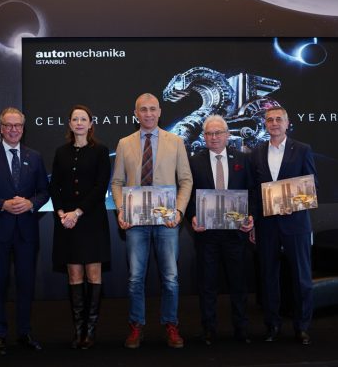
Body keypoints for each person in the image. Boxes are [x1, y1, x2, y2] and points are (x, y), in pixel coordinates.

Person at [110, 93, 193, 349]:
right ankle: (136, 326)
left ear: (160, 112)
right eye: (143, 109)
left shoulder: (175, 141)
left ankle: (171, 325)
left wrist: (178, 211)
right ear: (136, 113)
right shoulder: (124, 143)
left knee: (171, 278)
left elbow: (186, 180)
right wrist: (121, 210)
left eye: (152, 109)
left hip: (167, 222)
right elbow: (117, 182)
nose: (148, 113)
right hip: (135, 223)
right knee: (135, 278)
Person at [0, 107, 49, 355]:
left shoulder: (34, 157)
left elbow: (44, 192)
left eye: (18, 125)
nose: (13, 129)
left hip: (27, 232)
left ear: (23, 129)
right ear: (0, 128)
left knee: (26, 284)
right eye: (8, 125)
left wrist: (30, 203)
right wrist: (2, 204)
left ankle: (24, 333)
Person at [249, 106, 317, 346]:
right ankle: (272, 326)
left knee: (301, 278)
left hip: (296, 224)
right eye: (270, 119)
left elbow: (312, 185)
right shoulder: (256, 153)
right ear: (265, 124)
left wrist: (294, 203)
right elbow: (254, 192)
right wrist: (253, 222)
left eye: (279, 119)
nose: (274, 123)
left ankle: (302, 327)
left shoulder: (303, 150)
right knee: (268, 279)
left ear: (287, 123)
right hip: (266, 225)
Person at [187, 115, 254, 345]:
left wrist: (251, 216)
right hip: (207, 234)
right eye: (209, 133)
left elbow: (252, 192)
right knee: (207, 284)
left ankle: (241, 328)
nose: (214, 137)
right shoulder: (194, 162)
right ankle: (208, 329)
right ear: (204, 137)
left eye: (218, 133)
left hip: (236, 233)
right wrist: (192, 216)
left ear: (227, 135)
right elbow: (186, 195)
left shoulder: (243, 159)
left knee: (239, 283)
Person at [49, 105, 111, 349]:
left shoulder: (101, 151)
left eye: (83, 119)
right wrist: (61, 213)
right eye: (75, 119)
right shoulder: (61, 152)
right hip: (67, 223)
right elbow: (54, 186)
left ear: (90, 123)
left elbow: (100, 187)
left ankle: (91, 331)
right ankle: (78, 330)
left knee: (93, 274)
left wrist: (77, 212)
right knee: (74, 275)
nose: (79, 123)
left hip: (92, 221)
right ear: (69, 124)